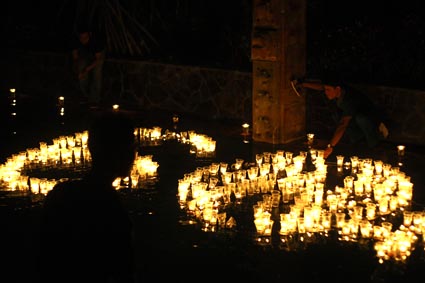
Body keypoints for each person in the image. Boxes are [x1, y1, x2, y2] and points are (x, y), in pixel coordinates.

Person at [37, 110, 137, 283]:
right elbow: (123, 272)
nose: (135, 153)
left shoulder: (61, 193)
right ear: (122, 152)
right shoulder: (111, 210)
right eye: (132, 145)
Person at [293, 77, 389, 159]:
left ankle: (375, 146)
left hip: (371, 119)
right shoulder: (340, 90)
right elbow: (321, 87)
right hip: (356, 117)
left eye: (328, 90)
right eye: (326, 89)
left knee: (358, 120)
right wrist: (303, 84)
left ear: (337, 89)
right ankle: (356, 143)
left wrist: (330, 146)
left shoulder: (349, 100)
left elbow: (343, 124)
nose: (326, 93)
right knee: (342, 119)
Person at [71, 26, 106, 107]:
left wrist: (86, 70)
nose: (83, 40)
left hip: (98, 55)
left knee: (96, 73)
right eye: (81, 38)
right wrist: (79, 71)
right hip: (85, 54)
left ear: (89, 35)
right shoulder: (75, 41)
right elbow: (75, 58)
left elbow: (98, 60)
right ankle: (85, 96)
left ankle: (95, 100)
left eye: (85, 37)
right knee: (81, 71)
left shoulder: (96, 42)